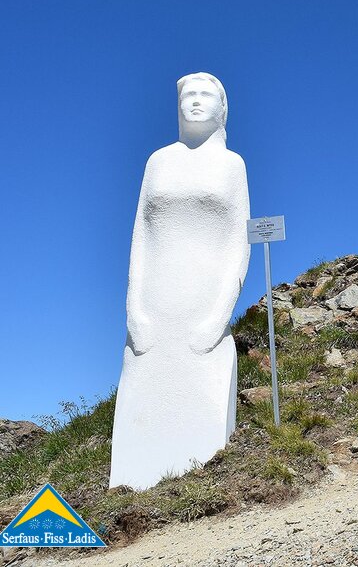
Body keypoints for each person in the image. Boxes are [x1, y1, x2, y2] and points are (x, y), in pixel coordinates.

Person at [109, 72, 251, 490]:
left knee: (200, 396)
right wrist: (134, 308)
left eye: (206, 94)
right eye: (187, 94)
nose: (195, 101)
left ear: (223, 108)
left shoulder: (232, 165)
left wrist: (221, 311)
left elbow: (238, 240)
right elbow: (141, 238)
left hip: (203, 303)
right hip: (155, 302)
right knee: (145, 391)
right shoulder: (158, 162)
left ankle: (198, 480)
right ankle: (129, 484)